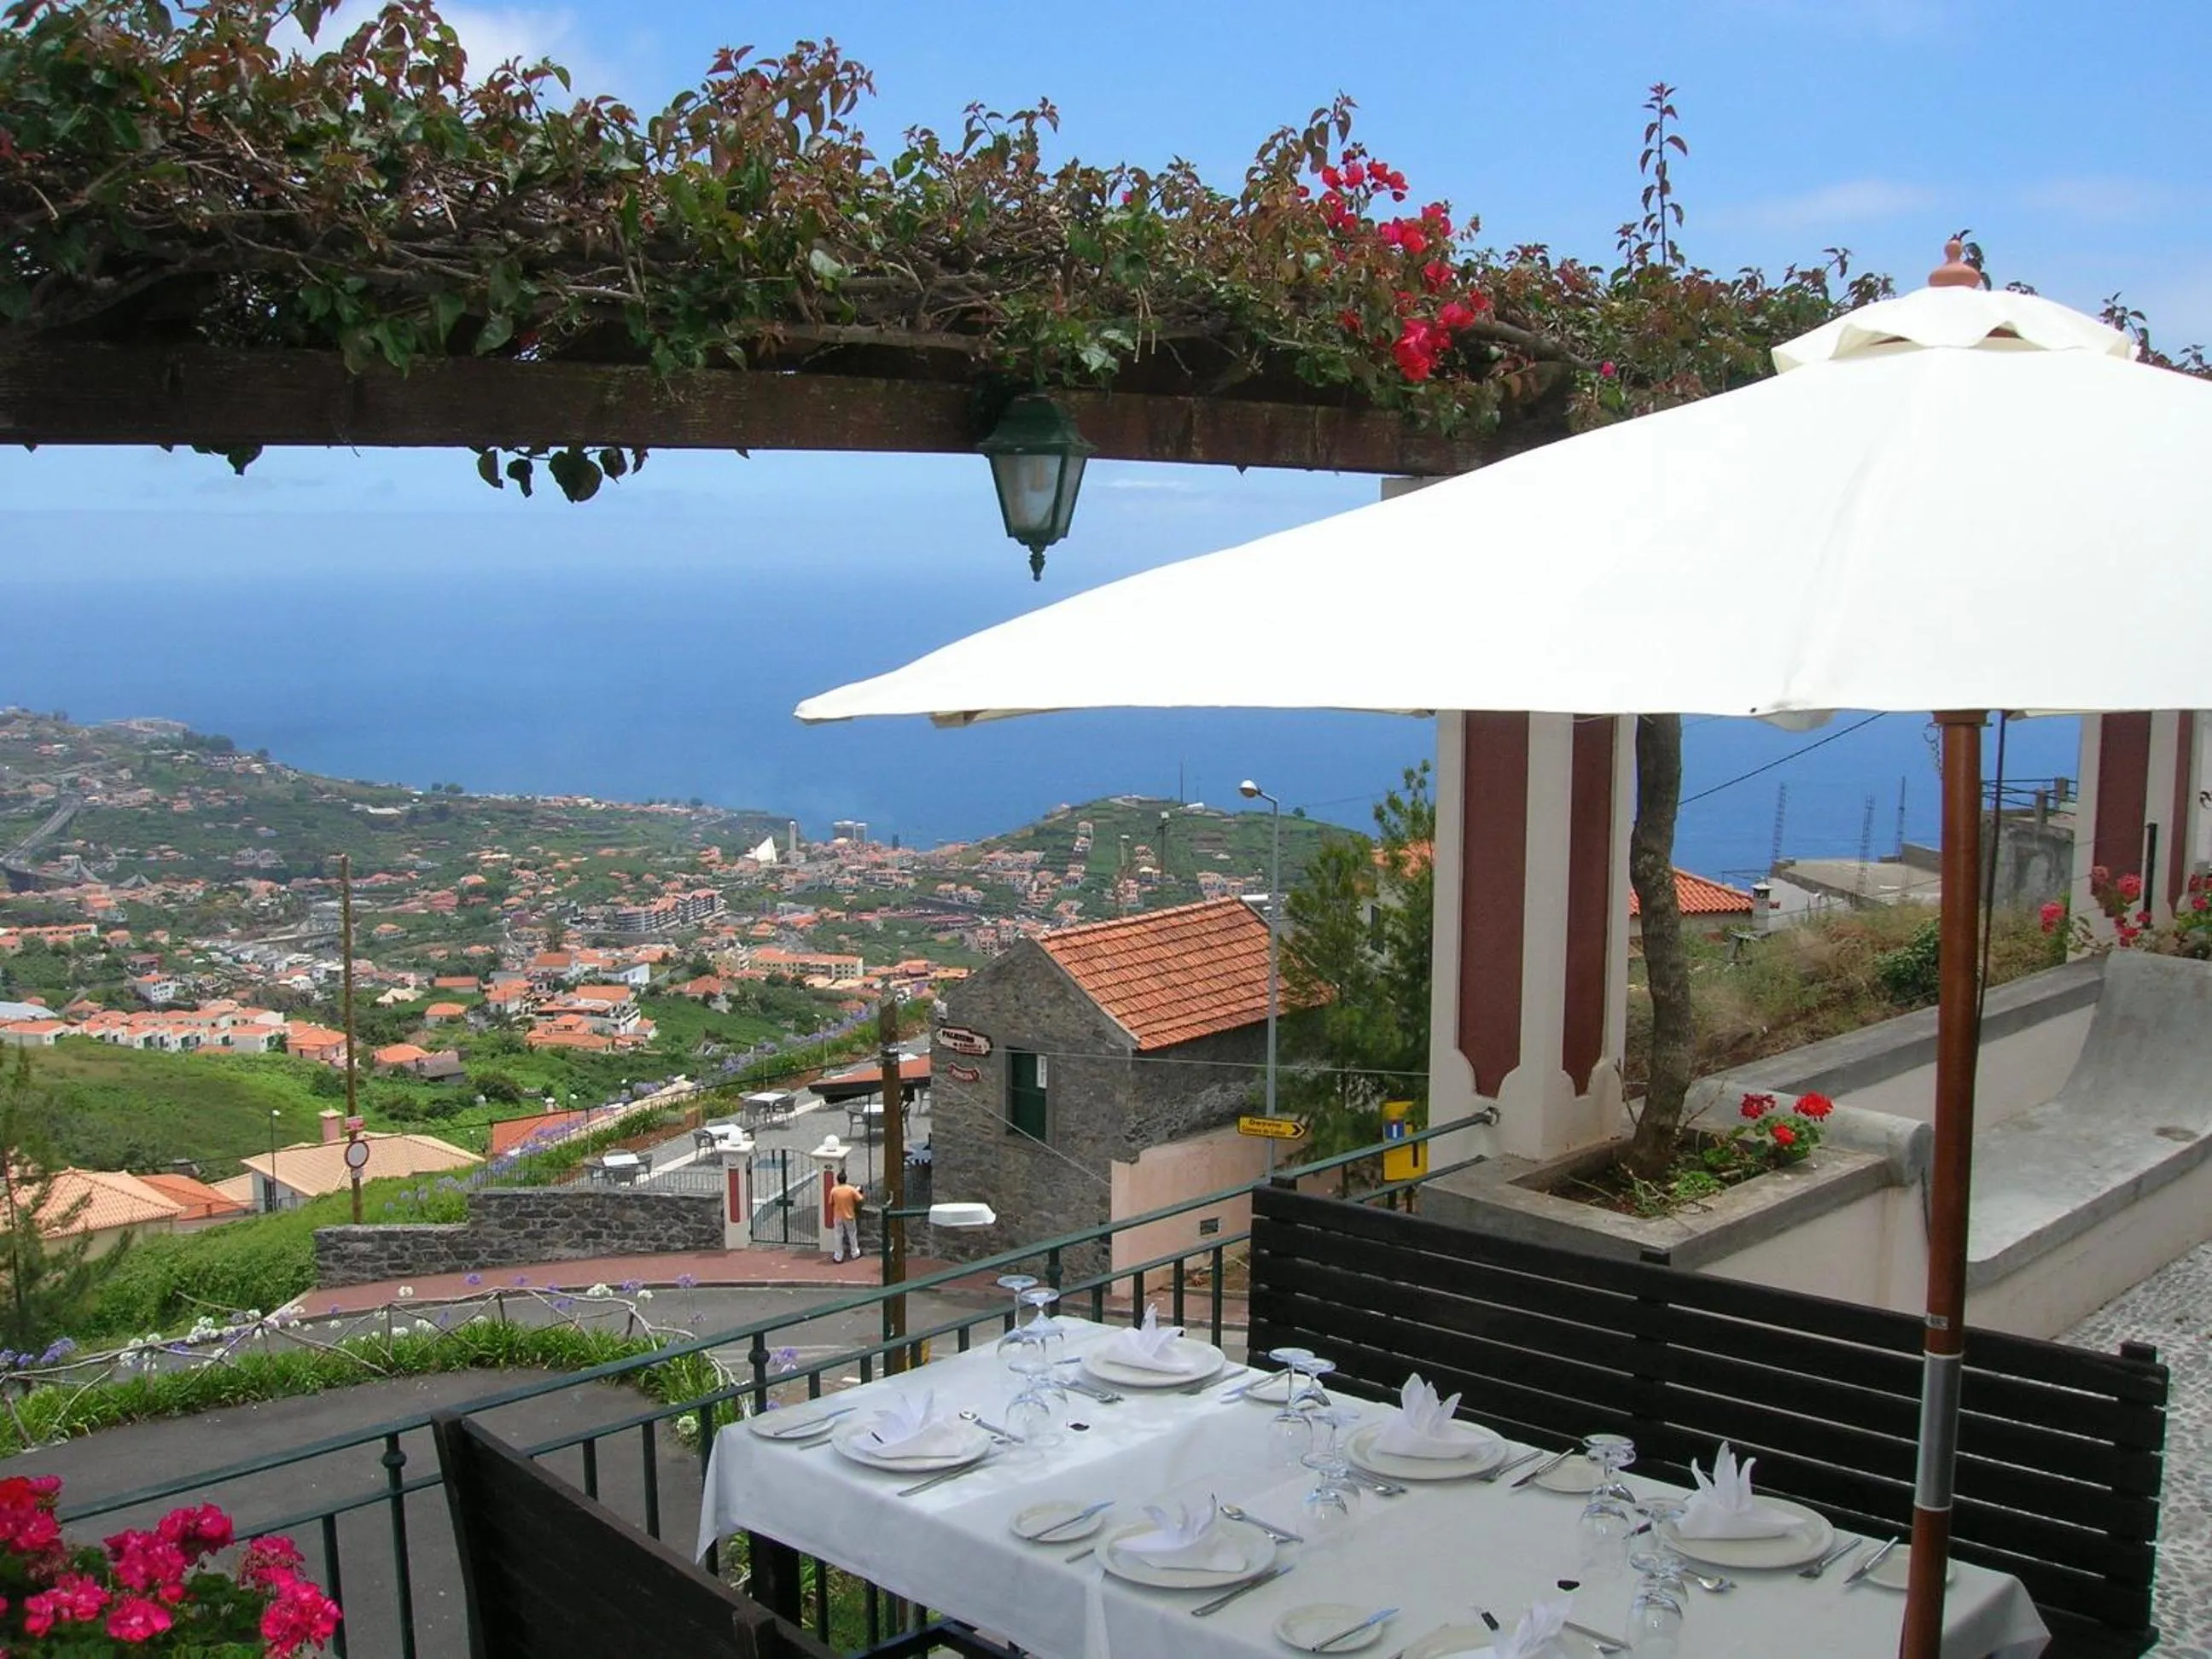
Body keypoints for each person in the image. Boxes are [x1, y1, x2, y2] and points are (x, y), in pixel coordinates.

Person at [828, 1169, 864, 1263]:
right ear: (846, 1179)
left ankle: (838, 1256)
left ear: (838, 1180)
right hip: (849, 1215)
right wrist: (858, 1191)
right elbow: (860, 1198)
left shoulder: (834, 1190)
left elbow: (831, 1202)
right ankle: (855, 1253)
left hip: (838, 1216)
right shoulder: (850, 1189)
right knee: (852, 1234)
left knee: (838, 1235)